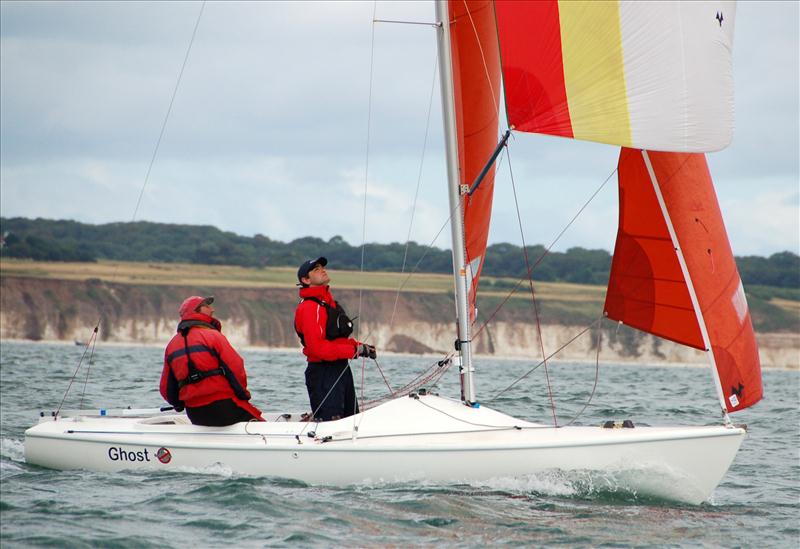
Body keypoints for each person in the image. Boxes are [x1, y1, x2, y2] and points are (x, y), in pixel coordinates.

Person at [160, 295, 264, 426]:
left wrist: (178, 405)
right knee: (262, 426)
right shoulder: (213, 336)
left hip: (194, 412)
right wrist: (243, 395)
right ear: (196, 311)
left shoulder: (171, 345)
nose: (212, 310)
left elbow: (166, 388)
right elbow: (235, 367)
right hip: (223, 406)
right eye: (207, 306)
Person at [294, 257, 376, 421]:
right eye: (316, 269)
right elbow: (318, 349)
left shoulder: (328, 304)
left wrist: (361, 347)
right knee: (332, 425)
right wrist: (354, 350)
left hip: (340, 369)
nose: (323, 270)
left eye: (322, 267)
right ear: (306, 280)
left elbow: (335, 340)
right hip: (324, 373)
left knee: (349, 420)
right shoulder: (311, 307)